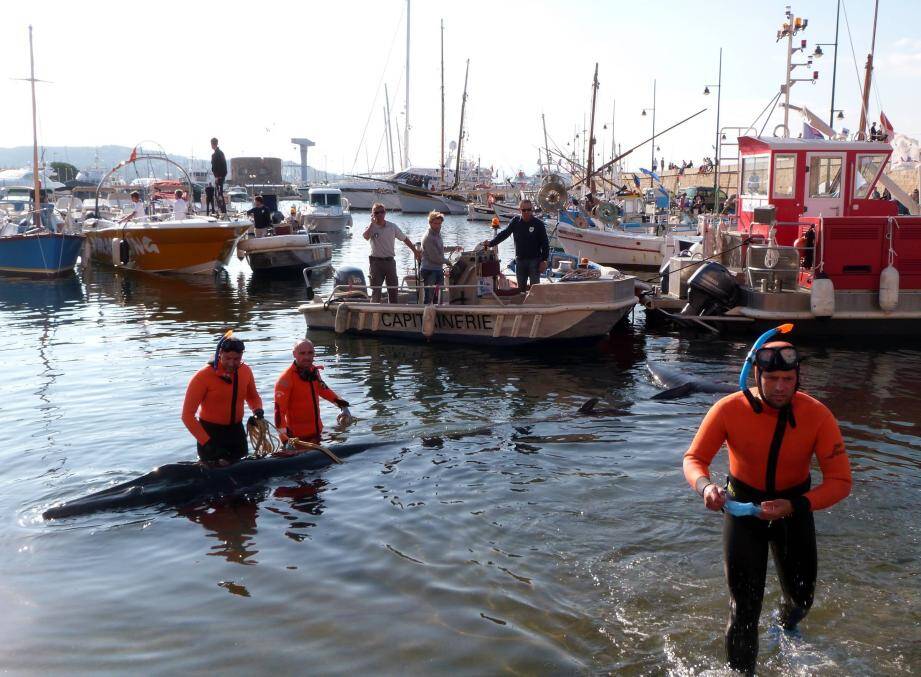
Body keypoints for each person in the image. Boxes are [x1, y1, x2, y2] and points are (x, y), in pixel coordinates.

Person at [682, 328, 851, 675]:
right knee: (744, 610)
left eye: (788, 378)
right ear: (756, 376)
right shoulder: (728, 409)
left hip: (794, 513)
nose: (780, 387)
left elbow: (840, 481)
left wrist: (797, 505)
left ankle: (786, 627)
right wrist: (705, 488)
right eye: (772, 378)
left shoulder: (817, 415)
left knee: (801, 601)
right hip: (743, 512)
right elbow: (693, 459)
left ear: (797, 377)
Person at [182, 333, 264, 467]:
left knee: (245, 478)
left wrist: (257, 411)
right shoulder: (203, 376)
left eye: (236, 359)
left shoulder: (245, 371)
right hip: (211, 435)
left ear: (242, 356)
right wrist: (207, 443)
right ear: (220, 353)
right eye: (227, 358)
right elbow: (187, 416)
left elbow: (252, 396)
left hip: (236, 432)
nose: (232, 363)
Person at [274, 339, 352, 446]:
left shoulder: (313, 372)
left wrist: (343, 406)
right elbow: (279, 414)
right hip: (297, 439)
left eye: (310, 353)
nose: (307, 357)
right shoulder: (285, 380)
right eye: (302, 353)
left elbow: (324, 391)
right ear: (294, 354)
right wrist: (285, 440)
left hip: (318, 434)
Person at [481, 199, 549, 291]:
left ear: (532, 210)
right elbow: (504, 234)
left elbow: (545, 243)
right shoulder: (515, 221)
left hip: (534, 261)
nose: (526, 212)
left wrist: (544, 260)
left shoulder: (538, 224)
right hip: (520, 261)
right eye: (524, 210)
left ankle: (534, 304)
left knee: (535, 289)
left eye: (529, 210)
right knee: (520, 289)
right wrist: (491, 243)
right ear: (519, 210)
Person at [362, 202, 421, 303]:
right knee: (376, 292)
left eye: (382, 212)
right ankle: (374, 313)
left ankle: (392, 311)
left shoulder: (392, 227)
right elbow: (365, 236)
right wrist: (372, 224)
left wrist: (415, 251)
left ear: (385, 213)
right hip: (376, 263)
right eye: (377, 213)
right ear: (373, 214)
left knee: (393, 290)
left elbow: (405, 239)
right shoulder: (371, 227)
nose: (380, 215)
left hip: (390, 262)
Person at [420, 210, 453, 304]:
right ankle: (427, 316)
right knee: (429, 297)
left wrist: (453, 248)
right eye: (436, 223)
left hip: (438, 269)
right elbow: (434, 257)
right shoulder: (428, 237)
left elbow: (440, 249)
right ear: (430, 223)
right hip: (429, 270)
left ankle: (438, 315)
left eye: (440, 223)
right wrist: (448, 262)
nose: (438, 226)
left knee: (439, 297)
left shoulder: (438, 234)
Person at [210, 137, 228, 214]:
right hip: (221, 176)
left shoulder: (215, 154)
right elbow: (224, 166)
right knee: (218, 194)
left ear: (212, 144)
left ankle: (223, 211)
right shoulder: (221, 153)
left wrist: (218, 176)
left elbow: (216, 167)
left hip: (219, 177)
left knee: (219, 194)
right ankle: (222, 211)